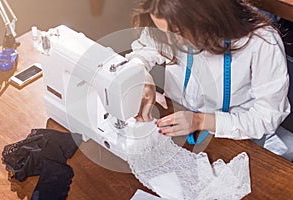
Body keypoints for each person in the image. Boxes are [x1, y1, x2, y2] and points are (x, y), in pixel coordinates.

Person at [125, 0, 293, 160]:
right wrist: (142, 77)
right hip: (181, 128)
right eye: (163, 32)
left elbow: (267, 116)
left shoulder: (261, 42)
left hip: (237, 137)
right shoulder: (168, 21)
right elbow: (142, 51)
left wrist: (201, 121)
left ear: (207, 17)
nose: (170, 42)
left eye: (176, 33)